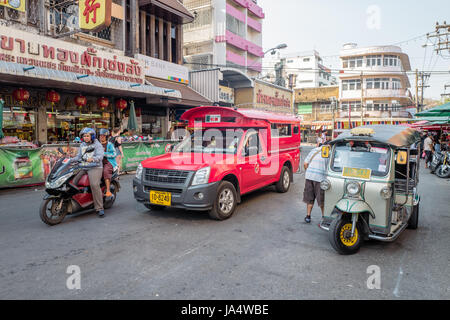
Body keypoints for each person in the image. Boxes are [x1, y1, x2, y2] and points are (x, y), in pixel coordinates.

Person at [70, 127, 105, 217]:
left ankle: (99, 208)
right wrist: (69, 160)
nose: (85, 138)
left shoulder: (97, 144)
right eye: (84, 136)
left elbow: (100, 156)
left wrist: (93, 159)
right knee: (73, 182)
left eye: (87, 136)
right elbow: (78, 157)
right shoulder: (82, 145)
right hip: (84, 167)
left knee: (94, 185)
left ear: (92, 137)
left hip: (95, 167)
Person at [303, 144, 329, 223]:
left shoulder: (313, 150)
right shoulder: (329, 153)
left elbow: (305, 164)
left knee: (309, 198)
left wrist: (309, 172)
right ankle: (324, 217)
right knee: (321, 199)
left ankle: (308, 216)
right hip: (320, 178)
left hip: (309, 177)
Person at [99, 129, 117, 198]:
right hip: (99, 162)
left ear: (106, 137)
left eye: (103, 136)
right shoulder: (97, 144)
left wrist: (104, 154)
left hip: (109, 162)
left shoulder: (109, 144)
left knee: (105, 171)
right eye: (100, 136)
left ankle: (108, 190)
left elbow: (114, 154)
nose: (102, 137)